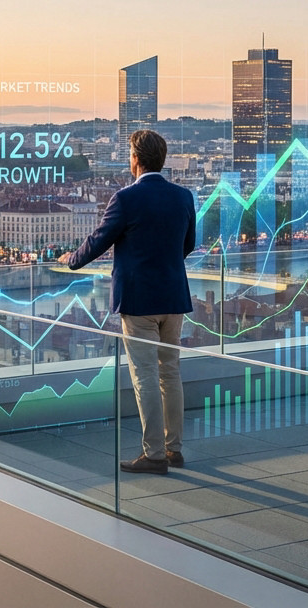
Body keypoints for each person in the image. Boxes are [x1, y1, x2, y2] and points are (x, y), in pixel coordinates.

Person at [59, 129, 195, 475]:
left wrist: (71, 260)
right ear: (161, 160)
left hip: (139, 300)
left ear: (135, 159)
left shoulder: (126, 198)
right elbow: (188, 245)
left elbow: (98, 241)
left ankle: (153, 455)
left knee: (145, 376)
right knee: (170, 373)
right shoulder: (183, 196)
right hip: (174, 295)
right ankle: (173, 448)